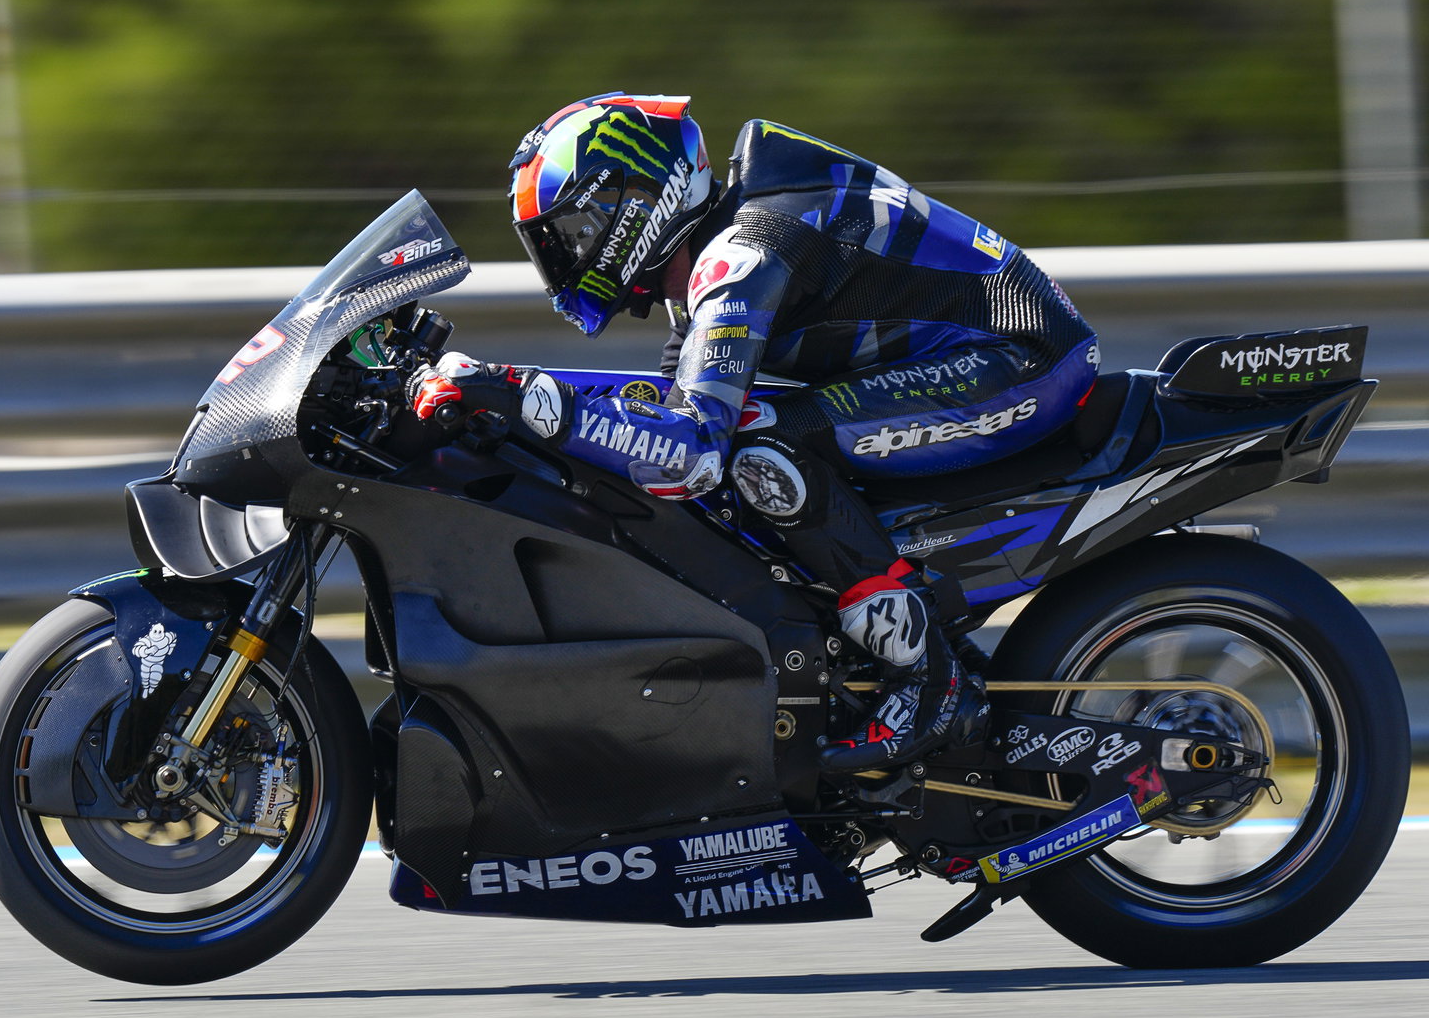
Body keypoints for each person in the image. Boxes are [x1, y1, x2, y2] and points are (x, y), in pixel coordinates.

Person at [408, 93, 1099, 773]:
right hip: (985, 358)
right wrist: (504, 392)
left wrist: (523, 396)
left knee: (760, 448)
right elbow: (655, 412)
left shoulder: (741, 255)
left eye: (572, 233)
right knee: (742, 438)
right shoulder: (715, 251)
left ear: (633, 204)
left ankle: (927, 678)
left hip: (1023, 364)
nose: (564, 256)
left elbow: (690, 453)